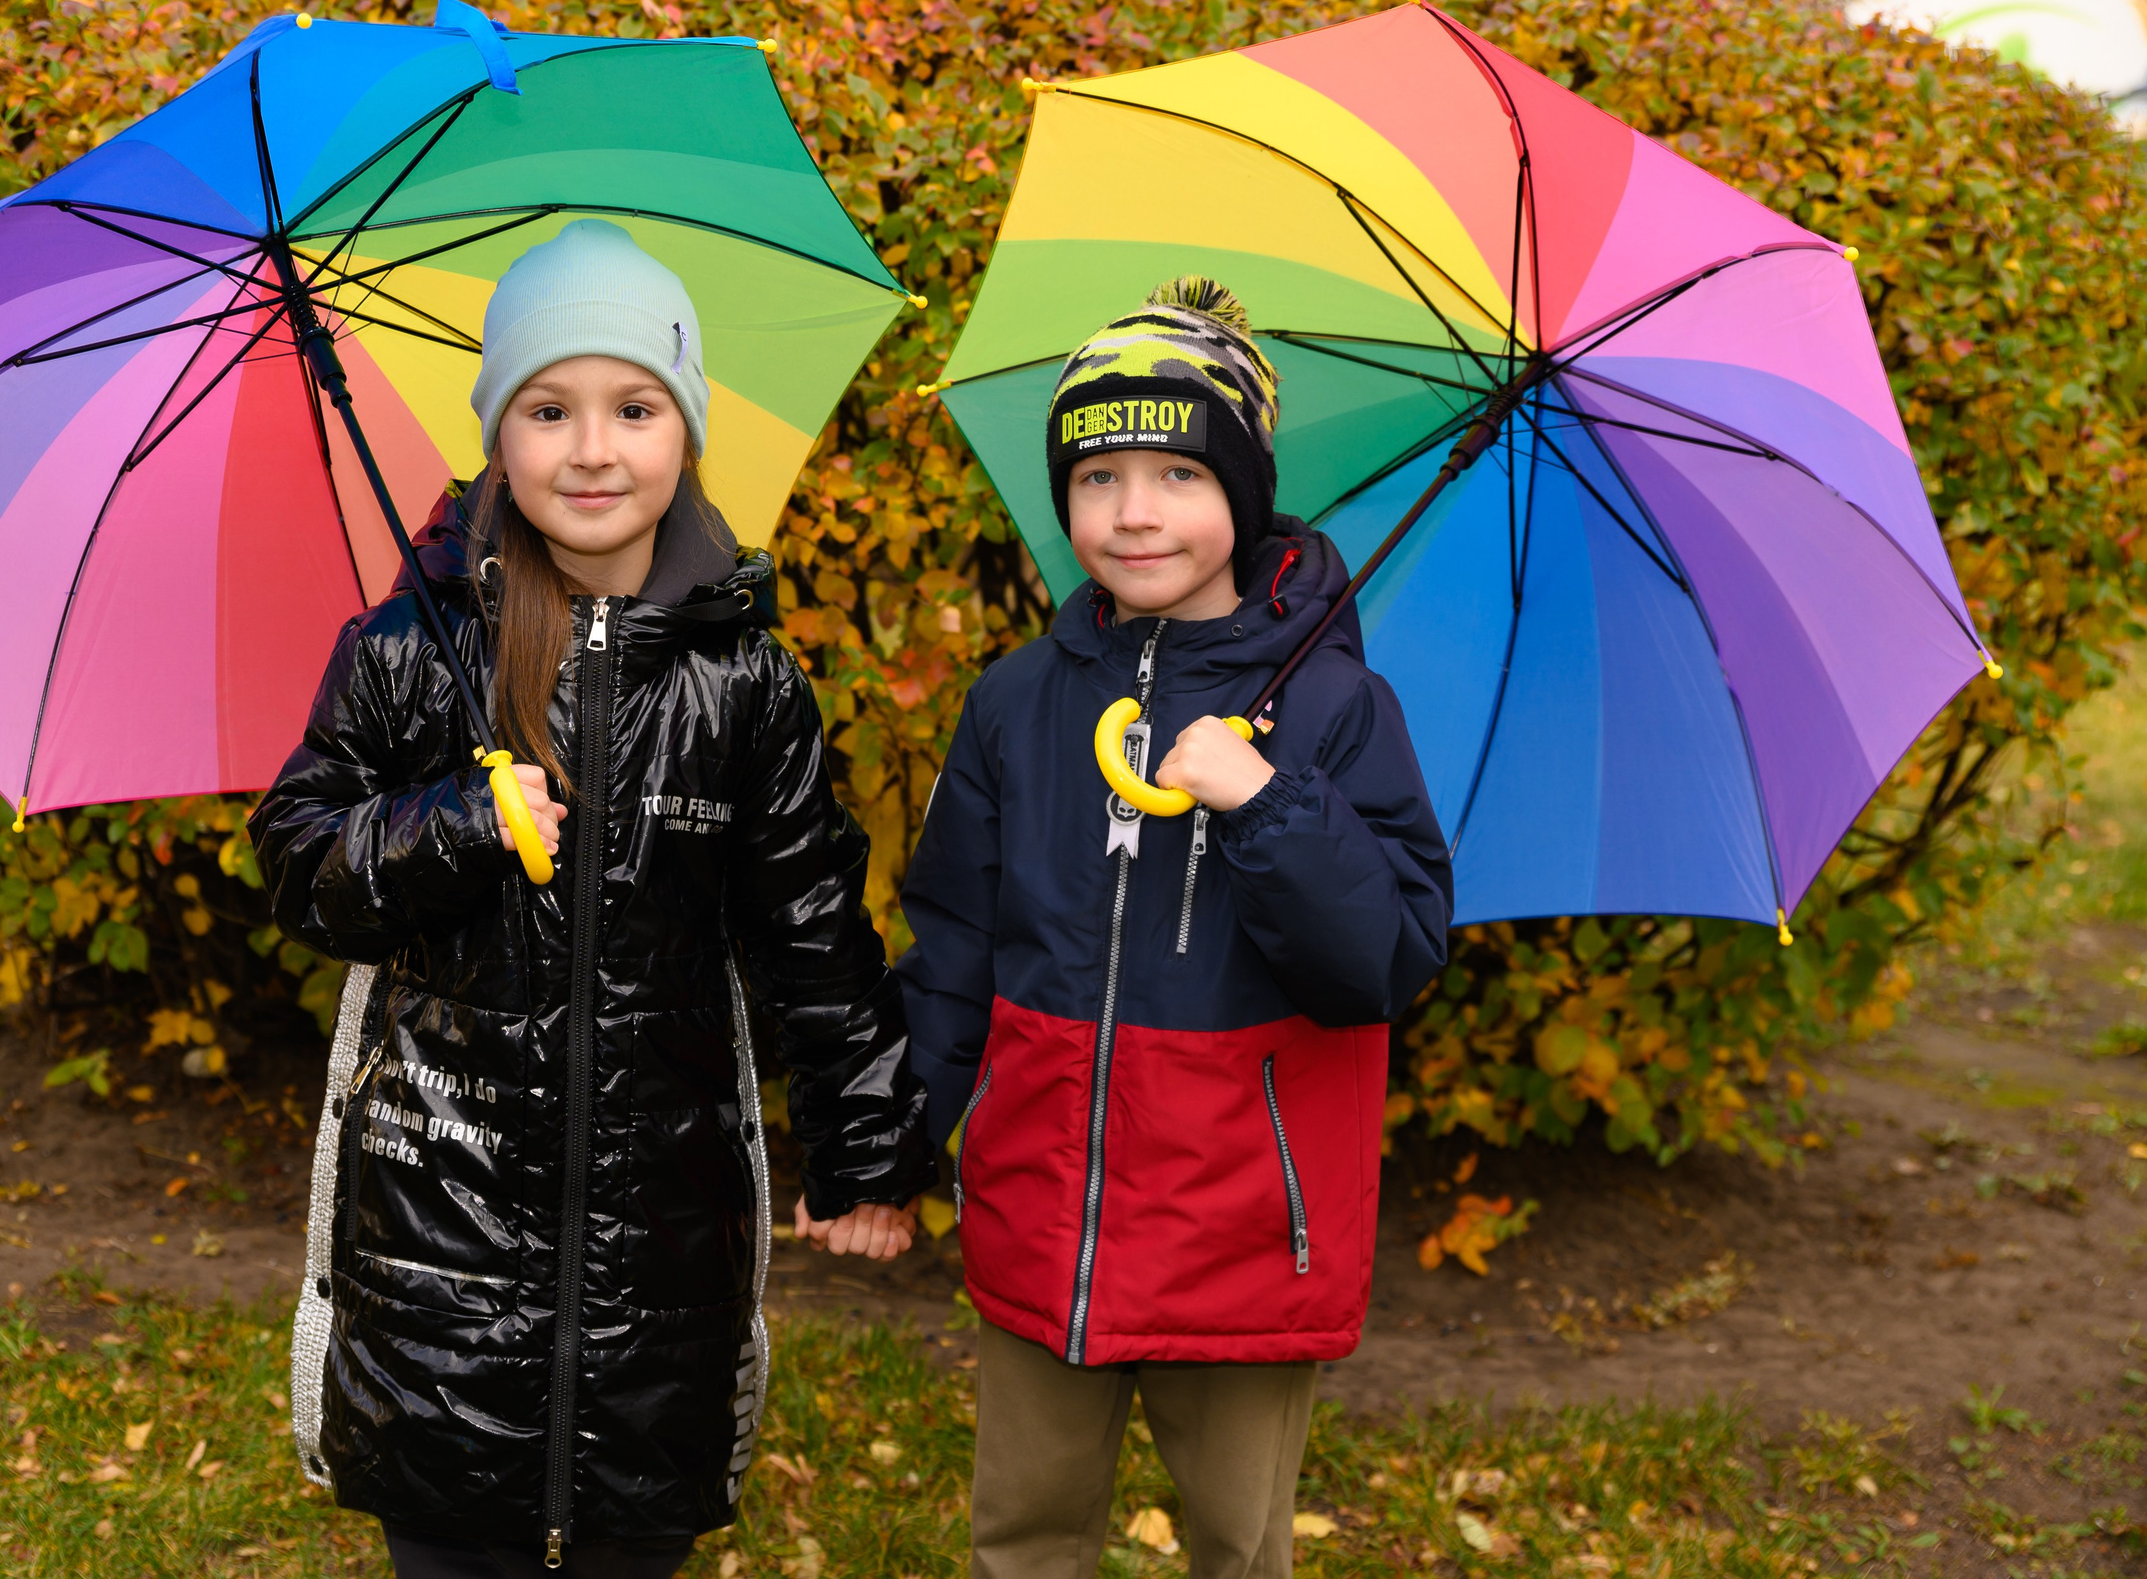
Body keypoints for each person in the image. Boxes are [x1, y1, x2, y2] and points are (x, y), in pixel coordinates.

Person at [252, 219, 931, 1579]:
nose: (592, 448)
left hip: (657, 1259)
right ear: (500, 432)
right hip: (441, 1241)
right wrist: (449, 825)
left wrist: (866, 1146)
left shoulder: (745, 681)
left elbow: (809, 923)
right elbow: (301, 860)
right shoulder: (410, 654)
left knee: (634, 1541)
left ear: (685, 429)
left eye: (634, 406)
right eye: (548, 409)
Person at [897, 278, 1453, 1579]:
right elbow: (956, 940)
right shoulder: (1020, 702)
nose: (1134, 511)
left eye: (1176, 473)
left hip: (1245, 1223)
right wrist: (887, 1140)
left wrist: (1269, 802)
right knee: (1024, 1529)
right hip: (1048, 1201)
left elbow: (1384, 958)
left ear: (1243, 493)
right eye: (1098, 476)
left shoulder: (1332, 711)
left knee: (1237, 1542)